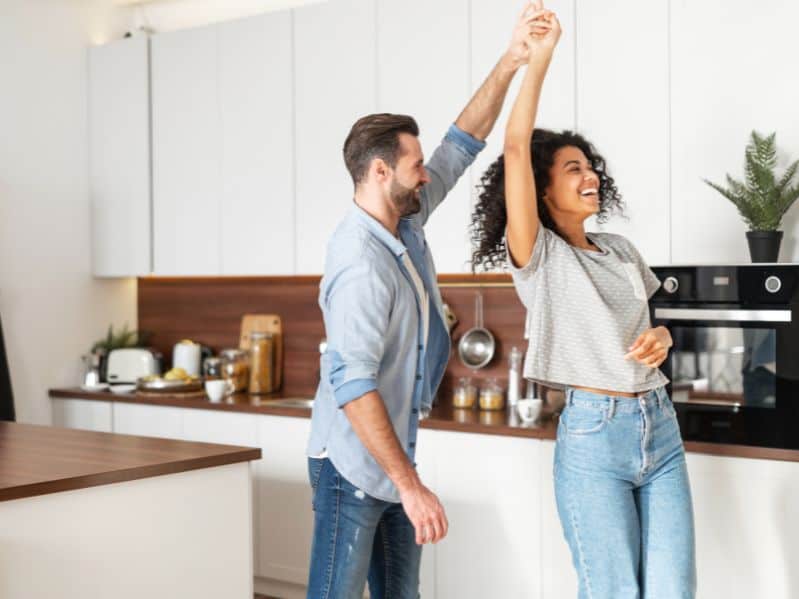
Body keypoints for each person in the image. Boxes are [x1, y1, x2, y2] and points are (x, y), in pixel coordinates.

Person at [304, 7, 551, 599]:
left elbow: (462, 142)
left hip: (390, 462)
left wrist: (515, 56)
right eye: (415, 168)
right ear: (380, 171)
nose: (426, 176)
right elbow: (354, 387)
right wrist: (410, 485)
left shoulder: (404, 218)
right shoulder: (361, 265)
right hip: (352, 468)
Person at [470, 3, 697, 598]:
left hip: (659, 426)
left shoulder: (620, 250)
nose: (589, 174)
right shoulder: (539, 256)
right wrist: (538, 60)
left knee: (675, 591)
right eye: (572, 169)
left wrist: (664, 337)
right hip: (594, 439)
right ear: (543, 191)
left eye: (590, 166)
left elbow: (658, 325)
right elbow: (516, 147)